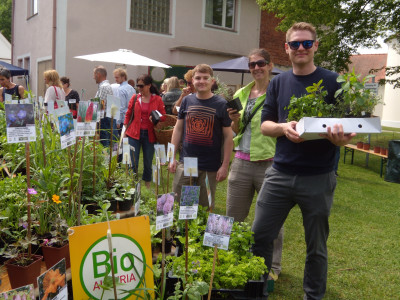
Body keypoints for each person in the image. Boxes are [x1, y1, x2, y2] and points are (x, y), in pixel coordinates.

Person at [252, 22, 355, 299]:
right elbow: (265, 126)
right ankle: (256, 290)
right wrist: (284, 128)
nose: (301, 48)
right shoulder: (278, 82)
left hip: (318, 176)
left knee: (317, 246)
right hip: (280, 173)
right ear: (286, 48)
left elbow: (347, 130)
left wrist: (340, 139)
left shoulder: (334, 82)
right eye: (295, 43)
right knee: (260, 235)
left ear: (315, 46)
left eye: (306, 43)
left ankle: (313, 296)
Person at [226, 48, 283, 278]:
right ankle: (231, 258)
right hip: (241, 161)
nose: (257, 68)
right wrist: (234, 121)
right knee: (232, 216)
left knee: (271, 219)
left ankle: (273, 268)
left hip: (269, 163)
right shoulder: (241, 93)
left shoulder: (279, 91)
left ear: (270, 65)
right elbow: (236, 130)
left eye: (261, 63)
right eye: (252, 65)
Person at [168, 64, 233, 209]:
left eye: (205, 78)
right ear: (192, 80)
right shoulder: (187, 101)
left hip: (210, 166)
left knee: (205, 206)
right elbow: (178, 129)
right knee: (182, 204)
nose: (201, 81)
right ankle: (182, 231)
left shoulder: (221, 104)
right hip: (187, 163)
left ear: (212, 81)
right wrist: (171, 157)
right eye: (198, 78)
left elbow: (228, 137)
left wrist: (224, 165)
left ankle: (200, 231)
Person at [123, 74, 166, 188]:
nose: (139, 88)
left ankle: (147, 184)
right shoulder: (135, 98)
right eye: (138, 86)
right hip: (133, 133)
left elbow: (163, 116)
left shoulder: (157, 99)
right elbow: (128, 115)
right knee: (133, 161)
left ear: (149, 85)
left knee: (147, 161)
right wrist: (124, 131)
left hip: (150, 134)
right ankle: (133, 185)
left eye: (141, 86)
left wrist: (157, 118)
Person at [93, 65, 117, 147]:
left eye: (94, 74)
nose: (93, 77)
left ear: (98, 74)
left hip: (104, 119)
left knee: (104, 143)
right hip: (107, 118)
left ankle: (106, 159)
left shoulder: (103, 87)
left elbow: (100, 105)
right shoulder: (106, 86)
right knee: (107, 142)